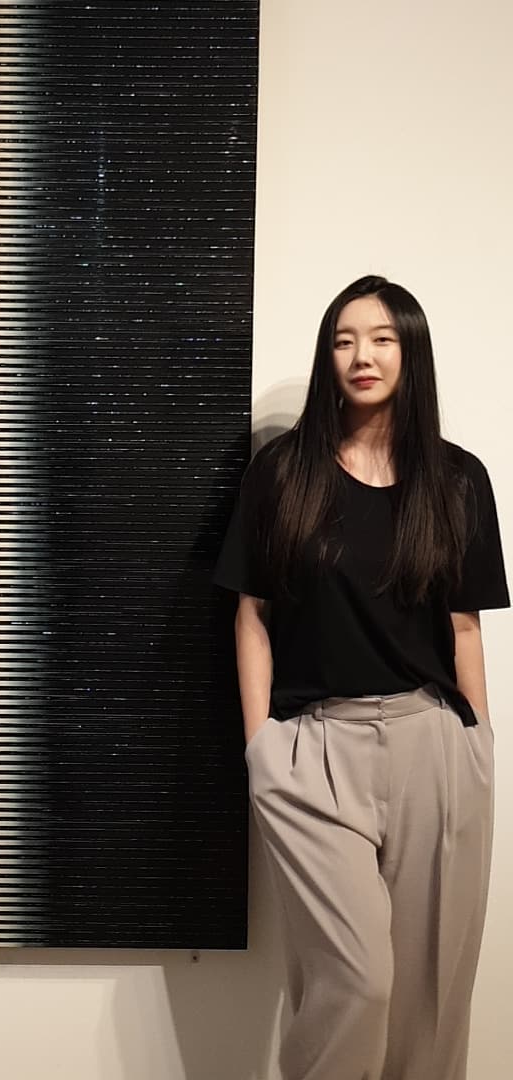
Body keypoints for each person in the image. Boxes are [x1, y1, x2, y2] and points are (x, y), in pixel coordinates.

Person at [214, 275, 509, 1080]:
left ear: (411, 352)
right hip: (315, 749)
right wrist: (261, 747)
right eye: (344, 340)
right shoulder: (283, 474)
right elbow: (251, 616)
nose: (362, 356)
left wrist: (478, 746)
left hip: (433, 747)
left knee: (428, 1001)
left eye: (382, 339)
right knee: (357, 981)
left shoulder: (457, 479)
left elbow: (464, 627)